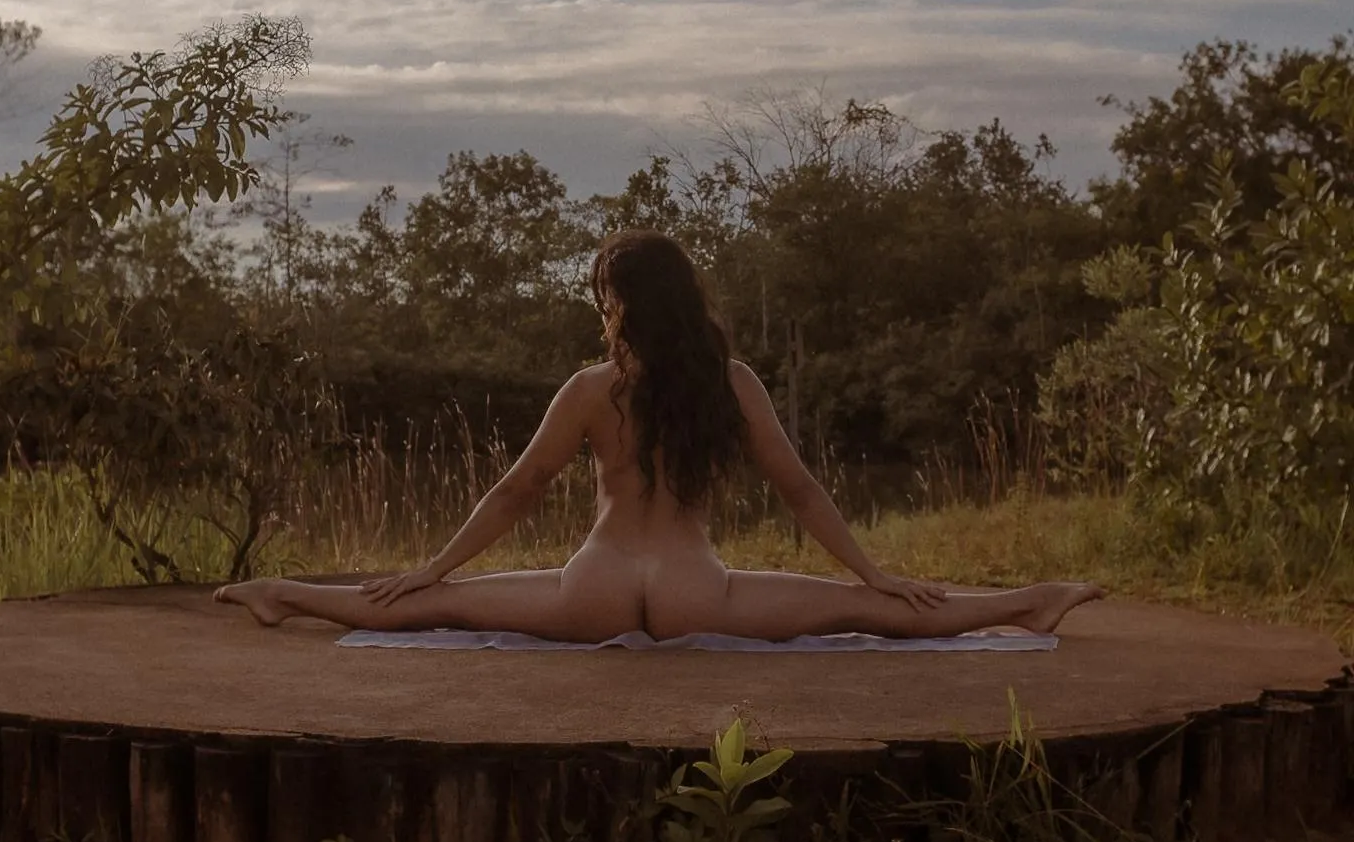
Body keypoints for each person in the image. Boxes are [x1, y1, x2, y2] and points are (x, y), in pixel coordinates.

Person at [216, 230, 1101, 641]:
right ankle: (1031, 601)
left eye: (604, 297)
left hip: (591, 587)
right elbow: (801, 490)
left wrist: (437, 567)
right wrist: (871, 573)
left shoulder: (593, 389)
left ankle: (281, 593)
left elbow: (515, 491)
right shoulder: (734, 385)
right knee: (870, 610)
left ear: (620, 306)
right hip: (693, 590)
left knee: (428, 604)